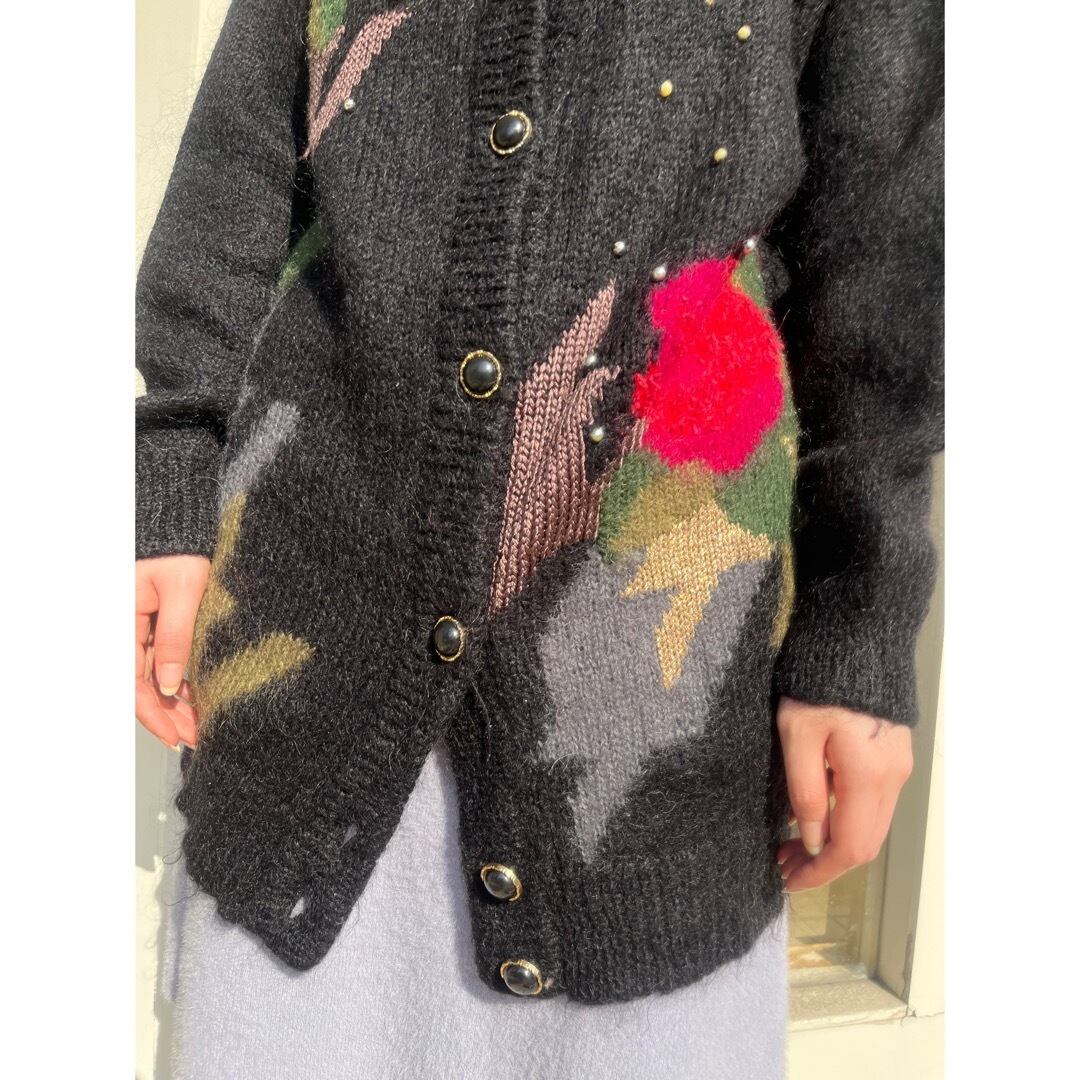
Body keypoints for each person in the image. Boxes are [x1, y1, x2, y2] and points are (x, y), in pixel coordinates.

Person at [135, 0, 943, 1075]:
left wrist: (859, 631)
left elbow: (881, 269)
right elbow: (240, 159)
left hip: (643, 730)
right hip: (310, 664)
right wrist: (171, 478)